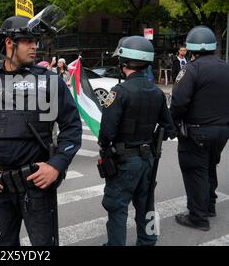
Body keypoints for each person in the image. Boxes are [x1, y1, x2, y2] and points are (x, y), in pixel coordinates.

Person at [0, 15, 82, 246]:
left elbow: (72, 126)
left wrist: (56, 165)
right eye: (27, 40)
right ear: (10, 43)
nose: (34, 46)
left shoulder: (49, 81)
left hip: (36, 186)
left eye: (35, 41)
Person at [98, 36, 176, 246]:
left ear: (124, 63)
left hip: (125, 161)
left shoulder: (119, 92)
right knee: (147, 203)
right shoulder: (157, 93)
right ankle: (148, 241)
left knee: (116, 206)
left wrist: (105, 149)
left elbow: (106, 132)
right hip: (148, 158)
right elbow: (169, 127)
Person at [170, 26, 229, 231]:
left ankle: (198, 217)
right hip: (222, 130)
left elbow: (178, 102)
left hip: (197, 130)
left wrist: (172, 122)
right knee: (209, 166)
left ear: (192, 48)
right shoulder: (225, 66)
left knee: (195, 171)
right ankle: (209, 206)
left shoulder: (191, 69)